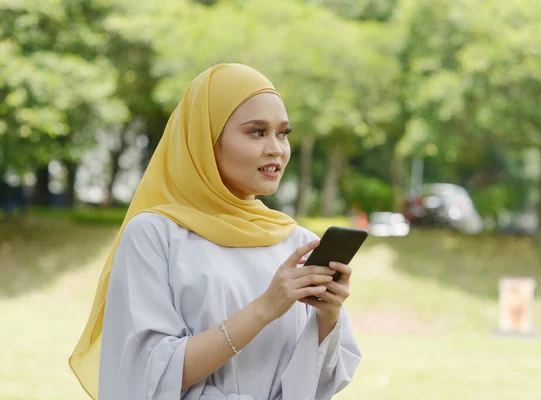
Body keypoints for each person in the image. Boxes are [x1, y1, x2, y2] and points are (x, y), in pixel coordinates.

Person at [68, 63, 361, 400]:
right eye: (256, 132)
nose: (276, 149)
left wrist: (328, 317)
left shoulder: (295, 241)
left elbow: (323, 383)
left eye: (283, 133)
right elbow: (146, 372)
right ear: (206, 139)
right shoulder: (155, 235)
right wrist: (266, 306)